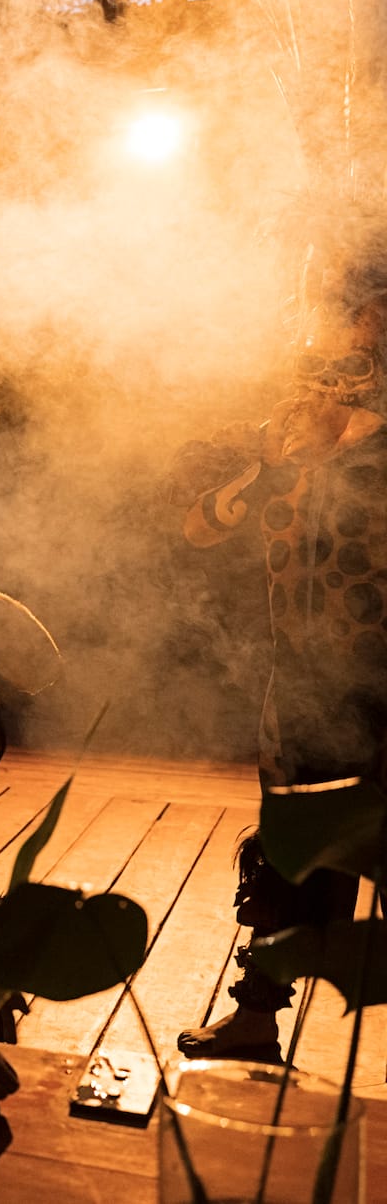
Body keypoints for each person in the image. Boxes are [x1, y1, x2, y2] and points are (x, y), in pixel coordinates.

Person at [176, 282, 387, 1062]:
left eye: (349, 358)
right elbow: (196, 526)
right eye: (316, 356)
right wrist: (267, 467)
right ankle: (257, 1017)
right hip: (302, 688)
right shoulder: (277, 452)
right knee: (286, 850)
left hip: (378, 688)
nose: (326, 376)